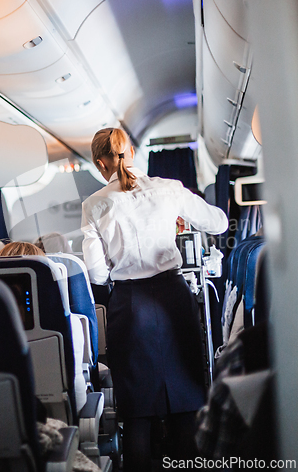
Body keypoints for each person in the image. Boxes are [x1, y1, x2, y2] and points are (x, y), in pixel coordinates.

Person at [81, 128, 228, 471]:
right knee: (186, 399)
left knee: (137, 409)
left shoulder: (95, 205)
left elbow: (98, 274)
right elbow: (219, 224)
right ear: (131, 151)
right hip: (173, 298)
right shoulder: (169, 188)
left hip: (130, 305)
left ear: (99, 163)